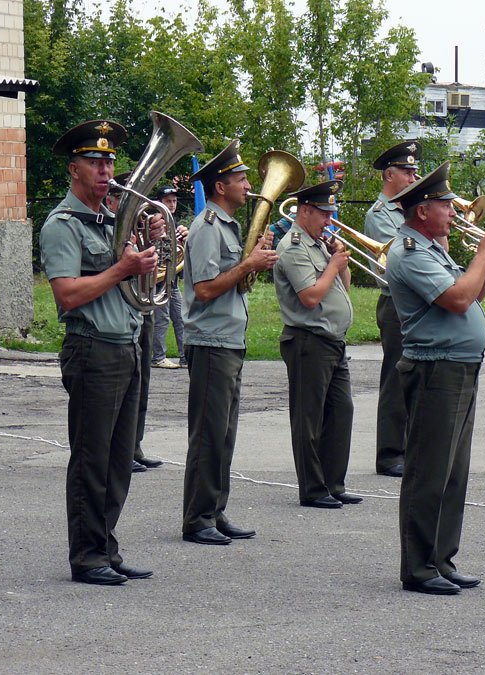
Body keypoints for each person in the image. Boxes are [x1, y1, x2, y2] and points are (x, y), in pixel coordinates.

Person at [39, 120, 164, 585]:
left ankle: (106, 546)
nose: (106, 170)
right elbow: (68, 294)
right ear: (74, 168)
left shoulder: (113, 222)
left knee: (118, 460)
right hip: (92, 348)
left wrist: (149, 250)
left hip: (126, 345)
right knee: (92, 460)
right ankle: (87, 556)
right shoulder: (62, 225)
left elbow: (137, 283)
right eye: (95, 162)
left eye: (110, 162)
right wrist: (121, 269)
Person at [385, 161, 485, 595]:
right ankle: (418, 567)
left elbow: (472, 294)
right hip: (434, 368)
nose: (454, 212)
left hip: (457, 366)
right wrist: (483, 254)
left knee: (454, 473)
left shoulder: (434, 248)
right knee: (429, 472)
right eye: (446, 205)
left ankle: (441, 558)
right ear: (422, 211)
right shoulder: (410, 252)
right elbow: (457, 299)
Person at [181, 139, 278, 545]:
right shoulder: (207, 227)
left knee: (223, 435)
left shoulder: (227, 226)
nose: (248, 185)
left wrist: (252, 262)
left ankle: (214, 511)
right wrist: (248, 264)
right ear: (220, 186)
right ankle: (197, 518)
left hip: (227, 339)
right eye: (240, 179)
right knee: (208, 435)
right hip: (211, 342)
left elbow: (235, 283)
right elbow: (205, 289)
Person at [274, 180, 362, 509]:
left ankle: (333, 483)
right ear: (305, 211)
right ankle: (312, 488)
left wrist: (339, 261)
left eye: (330, 213)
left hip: (333, 341)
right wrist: (333, 266)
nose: (329, 220)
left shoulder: (317, 244)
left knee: (341, 413)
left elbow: (343, 286)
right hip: (308, 340)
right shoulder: (294, 247)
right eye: (324, 214)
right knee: (308, 419)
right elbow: (310, 297)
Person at [363, 141, 422, 478]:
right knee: (396, 379)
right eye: (407, 172)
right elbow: (398, 258)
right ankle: (389, 454)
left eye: (414, 171)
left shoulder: (411, 208)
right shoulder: (380, 214)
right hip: (396, 301)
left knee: (418, 376)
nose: (414, 177)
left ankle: (412, 447)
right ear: (389, 175)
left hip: (418, 302)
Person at [105, 173, 163, 473]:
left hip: (143, 310)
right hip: (120, 315)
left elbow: (155, 267)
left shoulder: (139, 230)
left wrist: (157, 242)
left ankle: (134, 445)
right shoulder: (111, 232)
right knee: (121, 389)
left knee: (141, 383)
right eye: (128, 199)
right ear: (113, 201)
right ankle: (118, 451)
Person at [151, 185, 186, 369]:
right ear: (159, 203)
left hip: (172, 280)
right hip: (158, 281)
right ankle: (158, 357)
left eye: (174, 201)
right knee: (162, 319)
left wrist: (183, 241)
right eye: (168, 201)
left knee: (180, 317)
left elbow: (181, 254)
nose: (172, 204)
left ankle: (185, 357)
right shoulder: (154, 224)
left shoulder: (175, 225)